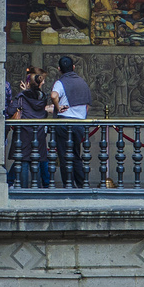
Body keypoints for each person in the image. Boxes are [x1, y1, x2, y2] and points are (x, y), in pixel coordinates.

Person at [50, 55, 93, 188]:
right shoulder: (82, 82)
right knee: (75, 154)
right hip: (79, 123)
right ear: (73, 67)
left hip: (65, 123)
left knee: (64, 156)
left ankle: (68, 185)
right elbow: (87, 105)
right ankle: (82, 184)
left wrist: (57, 107)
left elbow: (53, 95)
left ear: (59, 69)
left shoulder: (60, 82)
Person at [10, 68, 53, 188]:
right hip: (38, 133)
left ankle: (23, 189)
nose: (44, 82)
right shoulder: (42, 97)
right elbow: (43, 114)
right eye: (42, 80)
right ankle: (36, 189)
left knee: (23, 161)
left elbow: (10, 111)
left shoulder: (22, 96)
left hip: (24, 132)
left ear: (28, 83)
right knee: (36, 160)